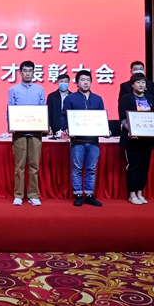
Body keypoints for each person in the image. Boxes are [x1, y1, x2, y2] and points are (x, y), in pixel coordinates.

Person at [62, 70, 106, 207]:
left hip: (93, 141)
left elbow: (101, 118)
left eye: (88, 80)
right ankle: (78, 195)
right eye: (82, 80)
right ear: (77, 83)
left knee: (91, 169)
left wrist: (105, 129)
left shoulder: (97, 99)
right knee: (76, 169)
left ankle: (89, 195)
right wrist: (67, 129)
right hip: (77, 141)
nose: (86, 82)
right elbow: (64, 116)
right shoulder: (70, 98)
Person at [118, 73, 154, 205]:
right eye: (138, 82)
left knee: (144, 166)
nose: (141, 85)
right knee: (133, 166)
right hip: (132, 139)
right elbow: (123, 118)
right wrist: (131, 130)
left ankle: (140, 192)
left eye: (143, 82)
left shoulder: (151, 98)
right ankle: (132, 194)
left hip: (147, 139)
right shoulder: (126, 98)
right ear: (132, 85)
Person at [7, 61, 46, 206]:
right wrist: (10, 125)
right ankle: (18, 195)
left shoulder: (39, 89)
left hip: (36, 133)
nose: (28, 73)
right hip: (19, 133)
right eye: (25, 70)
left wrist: (45, 125)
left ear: (33, 72)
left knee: (34, 166)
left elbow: (43, 109)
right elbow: (10, 108)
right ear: (20, 72)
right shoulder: (13, 89)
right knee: (19, 166)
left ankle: (33, 195)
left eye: (30, 71)